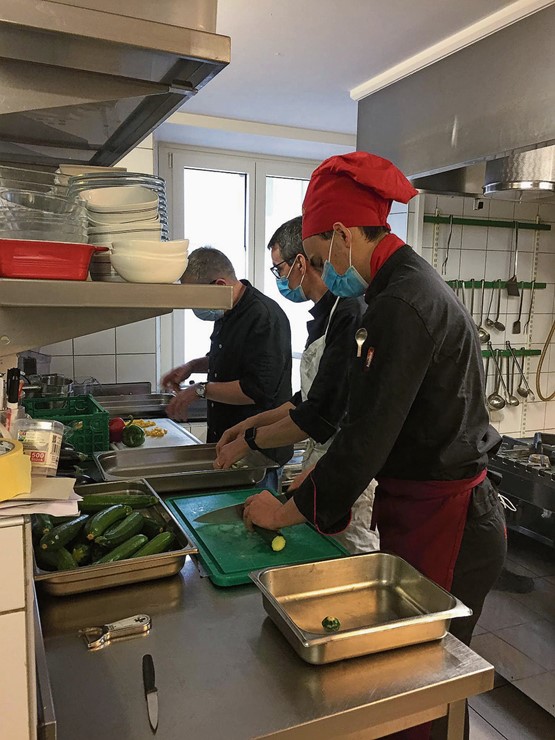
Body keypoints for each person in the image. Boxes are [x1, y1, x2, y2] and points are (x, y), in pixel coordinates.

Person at [239, 152, 506, 740]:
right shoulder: (395, 290)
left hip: (453, 521)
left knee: (428, 691)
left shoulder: (403, 304)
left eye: (314, 255)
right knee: (411, 687)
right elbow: (362, 422)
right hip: (424, 509)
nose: (314, 269)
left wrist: (289, 510)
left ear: (340, 235)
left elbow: (365, 438)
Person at [215, 216, 379, 553]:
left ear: (301, 263)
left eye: (279, 269)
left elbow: (318, 416)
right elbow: (303, 401)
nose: (279, 279)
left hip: (346, 476)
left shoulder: (349, 314)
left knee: (346, 565)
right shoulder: (325, 316)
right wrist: (249, 423)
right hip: (319, 469)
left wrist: (247, 441)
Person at [162, 247, 293, 468]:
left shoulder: (263, 317)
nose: (195, 307)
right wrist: (192, 366)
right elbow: (227, 359)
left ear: (220, 286)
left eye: (196, 299)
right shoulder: (227, 309)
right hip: (228, 444)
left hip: (257, 453)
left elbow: (256, 389)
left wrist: (199, 390)